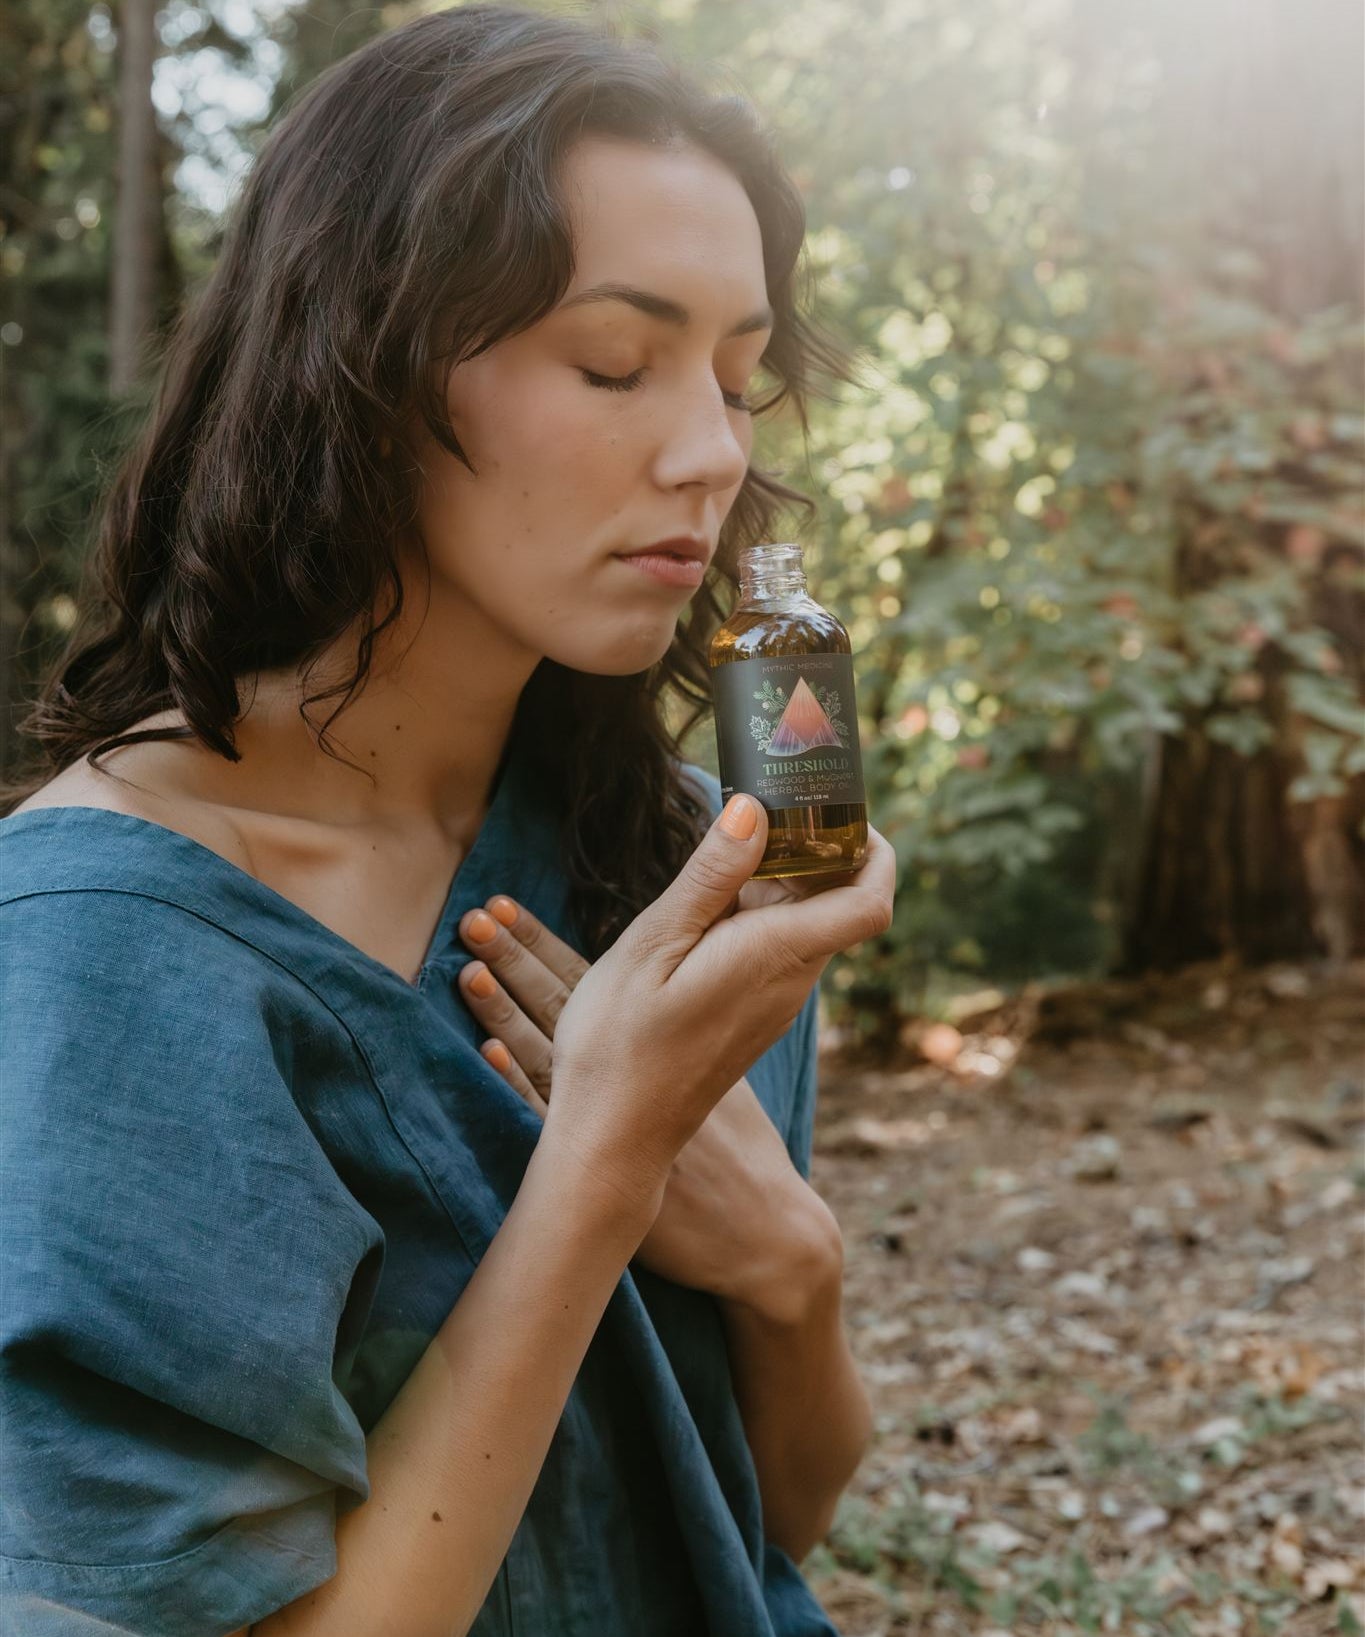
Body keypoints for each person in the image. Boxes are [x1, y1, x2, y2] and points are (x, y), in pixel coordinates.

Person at [0, 6, 895, 1634]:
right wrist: (606, 1158)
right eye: (616, 361)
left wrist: (787, 1263)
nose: (710, 450)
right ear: (363, 358)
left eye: (741, 377)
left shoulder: (681, 851)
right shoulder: (109, 949)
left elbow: (775, 1513)